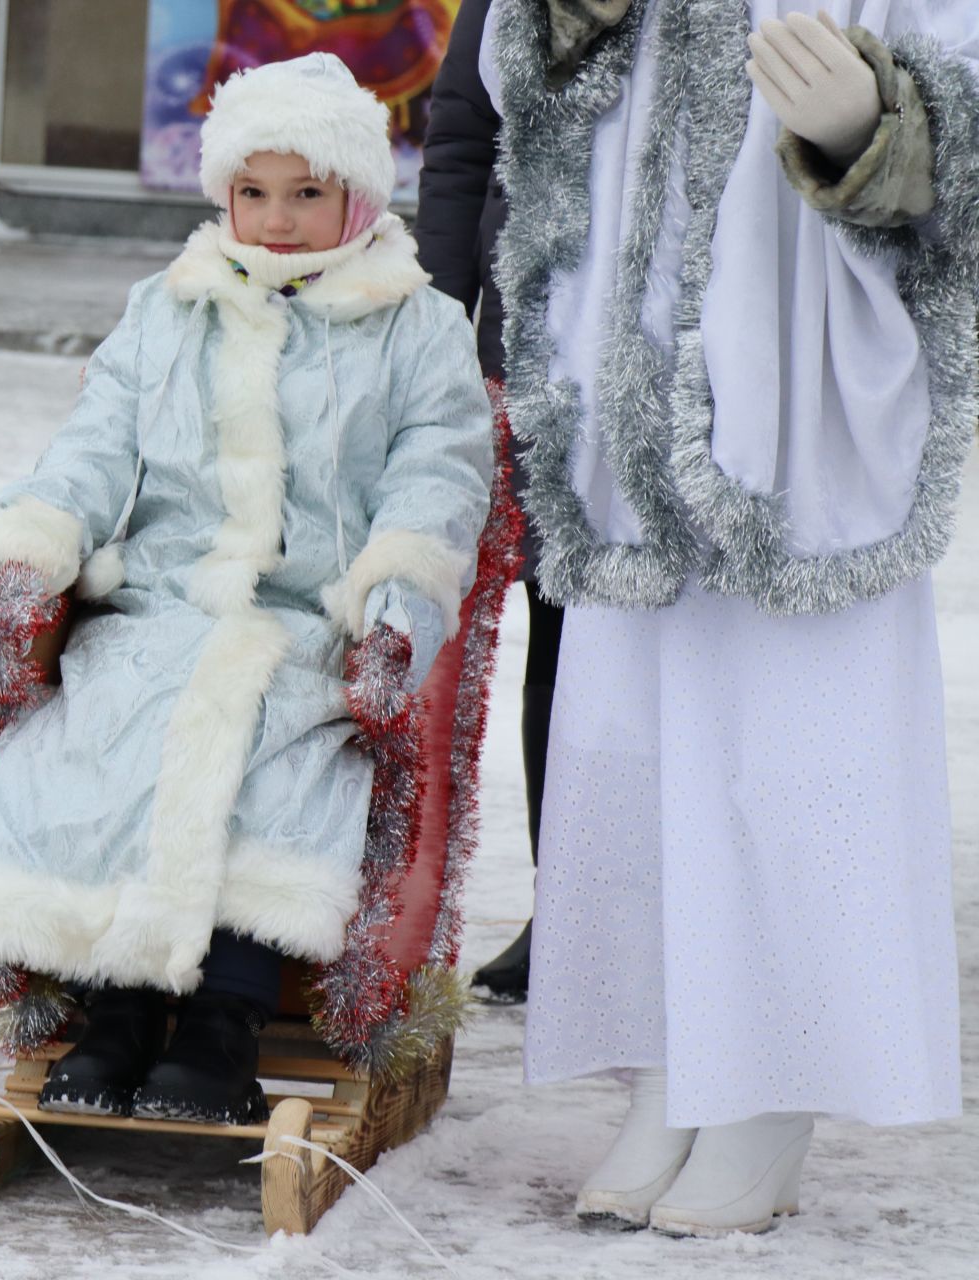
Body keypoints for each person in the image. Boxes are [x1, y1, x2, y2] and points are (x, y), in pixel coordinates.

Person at [0, 54, 493, 1125]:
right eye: (254, 193)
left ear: (358, 197)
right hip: (162, 607)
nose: (276, 223)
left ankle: (224, 1018)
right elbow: (92, 451)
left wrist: (395, 604)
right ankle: (118, 1009)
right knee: (101, 732)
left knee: (269, 759)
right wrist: (32, 546)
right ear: (222, 193)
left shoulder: (415, 327)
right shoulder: (169, 307)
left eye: (307, 194)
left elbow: (438, 480)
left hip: (313, 624)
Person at [487, 0, 974, 1236]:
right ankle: (667, 1062)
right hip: (631, 358)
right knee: (634, 731)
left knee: (791, 728)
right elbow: (509, 76)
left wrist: (879, 126)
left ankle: (768, 1081)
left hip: (797, 350)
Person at [413, 0, 558, 1002]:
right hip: (533, 340)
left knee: (654, 649)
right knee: (562, 639)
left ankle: (678, 906)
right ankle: (571, 904)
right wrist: (435, 323)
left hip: (685, 355)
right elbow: (465, 136)